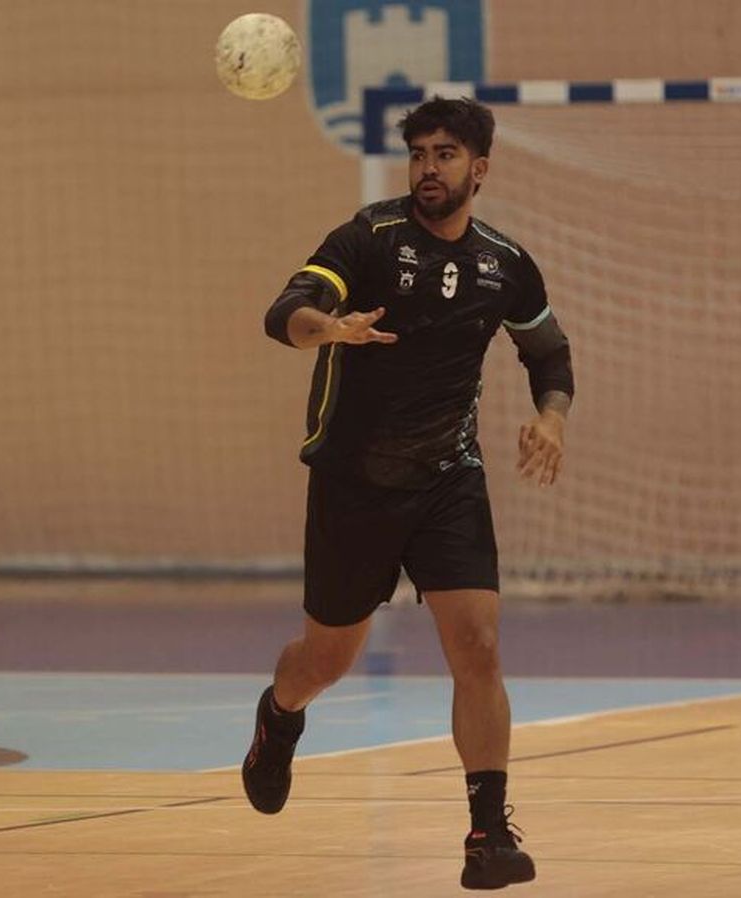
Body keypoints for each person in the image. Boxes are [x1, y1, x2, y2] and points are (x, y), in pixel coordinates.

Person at [242, 97, 572, 891]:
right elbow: (283, 313)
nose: (429, 166)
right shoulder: (368, 239)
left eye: (446, 154)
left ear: (479, 169)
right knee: (326, 659)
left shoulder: (506, 262)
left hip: (448, 478)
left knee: (479, 646)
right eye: (420, 153)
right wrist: (333, 329)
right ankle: (279, 715)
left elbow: (549, 354)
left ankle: (487, 832)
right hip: (355, 481)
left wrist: (551, 421)